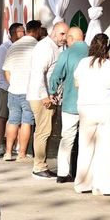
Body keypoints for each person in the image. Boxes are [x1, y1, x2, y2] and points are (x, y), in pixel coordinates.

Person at [72, 33, 110, 196]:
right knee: (107, 148)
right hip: (109, 108)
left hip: (87, 107)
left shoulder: (83, 64)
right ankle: (104, 186)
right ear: (108, 48)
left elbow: (77, 84)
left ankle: (83, 183)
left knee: (86, 146)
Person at [47, 27, 88, 182]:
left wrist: (52, 92)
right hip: (89, 103)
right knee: (86, 139)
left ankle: (63, 173)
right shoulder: (92, 51)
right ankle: (83, 173)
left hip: (70, 102)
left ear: (71, 39)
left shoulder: (66, 53)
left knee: (67, 138)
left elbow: (56, 75)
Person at [29, 21, 69, 179]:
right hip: (41, 97)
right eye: (62, 34)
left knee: (45, 131)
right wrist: (44, 95)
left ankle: (41, 164)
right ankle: (38, 167)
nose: (64, 38)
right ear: (54, 32)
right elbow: (38, 72)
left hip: (45, 96)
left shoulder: (53, 47)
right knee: (43, 132)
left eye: (66, 35)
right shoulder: (46, 47)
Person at [1, 20, 40, 161]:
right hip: (30, 91)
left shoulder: (13, 46)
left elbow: (6, 71)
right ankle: (22, 154)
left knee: (12, 120)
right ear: (36, 31)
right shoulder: (38, 46)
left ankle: (8, 152)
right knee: (26, 122)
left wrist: (14, 83)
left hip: (14, 89)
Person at [0, 22, 20, 140]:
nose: (24, 34)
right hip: (6, 87)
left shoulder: (20, 46)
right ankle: (0, 144)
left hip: (18, 87)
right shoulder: (4, 48)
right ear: (14, 33)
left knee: (16, 117)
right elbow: (1, 69)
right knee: (3, 116)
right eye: (22, 31)